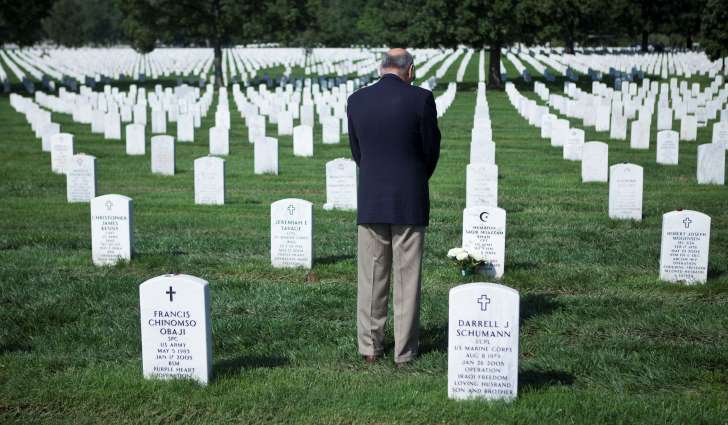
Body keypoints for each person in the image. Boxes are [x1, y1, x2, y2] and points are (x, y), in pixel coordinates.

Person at [346, 48, 441, 366]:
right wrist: (415, 176)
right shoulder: (422, 99)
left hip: (372, 197)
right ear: (410, 70)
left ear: (381, 68)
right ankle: (404, 351)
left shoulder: (357, 100)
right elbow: (430, 150)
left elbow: (357, 151)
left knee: (371, 276)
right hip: (409, 197)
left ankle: (370, 347)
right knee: (407, 276)